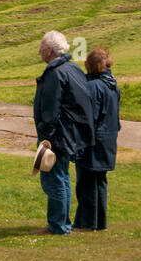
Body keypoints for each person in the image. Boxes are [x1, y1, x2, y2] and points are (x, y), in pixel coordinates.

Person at [32, 31, 95, 235]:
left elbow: (51, 109)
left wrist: (45, 137)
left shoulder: (55, 73)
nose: (40, 51)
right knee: (63, 178)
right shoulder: (72, 69)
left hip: (57, 137)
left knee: (55, 180)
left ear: (49, 50)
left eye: (42, 48)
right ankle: (63, 223)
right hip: (70, 135)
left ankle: (58, 225)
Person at [75, 48, 120, 231]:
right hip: (108, 139)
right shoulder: (112, 84)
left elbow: (89, 117)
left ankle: (86, 223)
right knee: (99, 181)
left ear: (90, 65)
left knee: (87, 182)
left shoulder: (94, 87)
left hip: (93, 141)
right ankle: (99, 223)